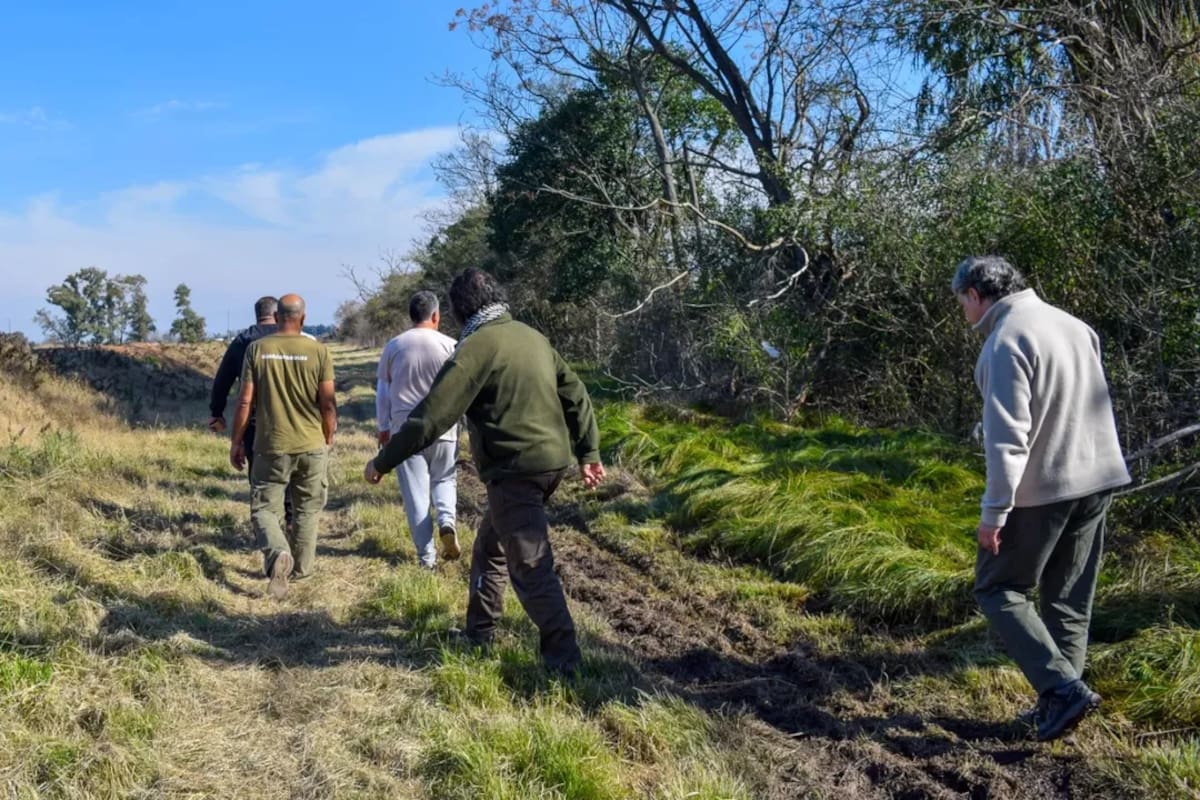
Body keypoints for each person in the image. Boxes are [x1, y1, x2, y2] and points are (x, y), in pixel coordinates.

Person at [363, 268, 605, 675]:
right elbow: (576, 393)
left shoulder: (476, 347)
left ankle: (566, 664)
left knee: (530, 566)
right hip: (552, 465)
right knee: (489, 548)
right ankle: (479, 631)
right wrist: (588, 451)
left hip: (515, 471)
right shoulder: (533, 337)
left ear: (459, 310)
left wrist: (383, 460)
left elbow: (430, 419)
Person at [953, 255, 1130, 742]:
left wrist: (994, 513)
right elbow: (1068, 401)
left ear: (975, 294)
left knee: (997, 590)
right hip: (1098, 479)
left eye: (961, 303)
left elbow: (1010, 440)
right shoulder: (1074, 325)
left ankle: (1061, 691)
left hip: (1043, 488)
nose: (963, 313)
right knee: (1068, 600)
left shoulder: (1003, 341)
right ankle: (1061, 706)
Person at [230, 294, 337, 600]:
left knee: (264, 507)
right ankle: (301, 571)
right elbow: (327, 403)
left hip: (270, 444)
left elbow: (245, 401)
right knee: (306, 508)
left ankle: (278, 553)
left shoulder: (257, 349)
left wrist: (237, 441)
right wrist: (328, 434)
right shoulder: (319, 351)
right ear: (303, 319)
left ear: (277, 318)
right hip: (311, 443)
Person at [376, 290, 461, 568]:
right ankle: (447, 520)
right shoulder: (452, 345)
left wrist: (383, 427)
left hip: (405, 432)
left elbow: (383, 391)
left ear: (411, 315)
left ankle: (427, 559)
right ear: (436, 315)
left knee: (416, 495)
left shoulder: (394, 346)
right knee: (445, 479)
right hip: (444, 427)